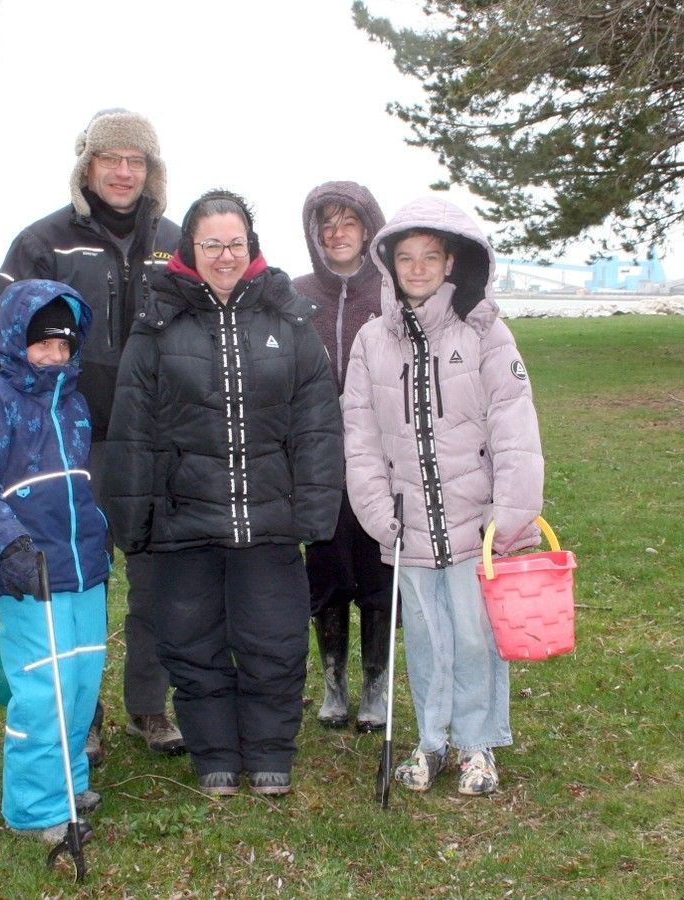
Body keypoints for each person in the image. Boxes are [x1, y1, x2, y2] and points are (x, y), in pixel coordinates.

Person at [0, 109, 186, 761]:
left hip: (158, 443)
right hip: (65, 447)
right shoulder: (43, 241)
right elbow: (0, 329)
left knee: (158, 582)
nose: (124, 172)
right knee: (77, 581)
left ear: (152, 170)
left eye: (137, 160)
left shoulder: (177, 240)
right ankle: (83, 709)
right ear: (87, 166)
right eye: (110, 158)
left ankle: (149, 706)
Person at [100, 189, 344, 797]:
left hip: (270, 518)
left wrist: (315, 509)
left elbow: (317, 422)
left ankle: (269, 751)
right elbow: (130, 429)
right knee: (192, 642)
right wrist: (131, 523)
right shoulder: (159, 323)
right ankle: (213, 753)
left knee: (275, 639)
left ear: (252, 246)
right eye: (212, 244)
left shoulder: (288, 319)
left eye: (235, 243)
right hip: (185, 521)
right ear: (190, 248)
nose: (225, 255)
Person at [342, 195, 544, 796]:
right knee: (426, 637)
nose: (420, 268)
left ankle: (477, 744)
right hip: (409, 526)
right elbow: (361, 437)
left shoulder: (485, 331)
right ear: (390, 265)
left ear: (451, 261)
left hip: (475, 523)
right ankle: (431, 740)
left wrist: (509, 513)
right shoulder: (371, 342)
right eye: (407, 257)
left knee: (478, 634)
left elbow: (515, 425)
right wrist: (379, 512)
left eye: (431, 256)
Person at [0, 279, 109, 844]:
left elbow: (77, 482)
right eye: (41, 343)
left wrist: (99, 533)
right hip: (28, 569)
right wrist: (11, 545)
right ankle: (36, 809)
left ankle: (69, 784)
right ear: (16, 340)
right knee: (43, 689)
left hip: (83, 567)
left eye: (63, 346)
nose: (52, 356)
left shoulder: (73, 403)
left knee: (80, 683)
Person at [291, 181, 393, 732]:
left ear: (367, 227)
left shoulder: (392, 291)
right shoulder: (298, 293)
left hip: (380, 456)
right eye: (325, 224)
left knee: (378, 569)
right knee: (326, 566)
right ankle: (333, 681)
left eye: (347, 222)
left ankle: (377, 684)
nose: (337, 233)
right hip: (319, 457)